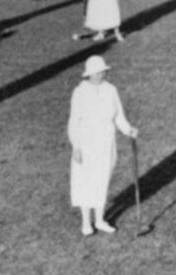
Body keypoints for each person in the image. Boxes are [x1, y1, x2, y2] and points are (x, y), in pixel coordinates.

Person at [67, 55, 138, 236]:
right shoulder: (80, 92)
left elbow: (118, 116)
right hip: (86, 142)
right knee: (85, 181)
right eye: (97, 72)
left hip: (106, 143)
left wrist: (128, 129)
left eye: (102, 72)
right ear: (89, 75)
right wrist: (76, 146)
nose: (100, 75)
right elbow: (74, 121)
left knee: (101, 180)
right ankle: (86, 222)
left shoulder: (110, 90)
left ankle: (99, 220)